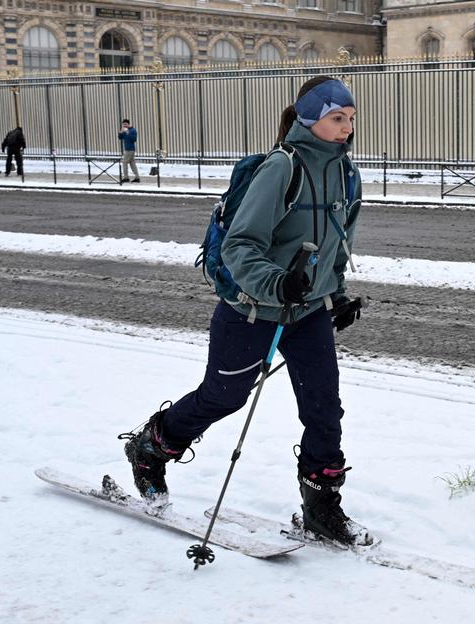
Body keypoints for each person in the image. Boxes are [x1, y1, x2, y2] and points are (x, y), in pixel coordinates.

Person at [121, 76, 371, 547]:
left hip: (307, 311)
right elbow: (241, 244)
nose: (346, 127)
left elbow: (338, 246)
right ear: (309, 119)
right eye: (337, 118)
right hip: (252, 308)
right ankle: (150, 448)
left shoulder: (347, 174)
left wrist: (335, 294)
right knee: (223, 396)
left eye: (351, 119)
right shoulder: (282, 168)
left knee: (324, 409)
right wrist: (277, 283)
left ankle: (322, 507)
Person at [119, 119, 140, 183]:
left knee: (124, 162)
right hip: (127, 149)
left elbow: (134, 139)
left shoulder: (133, 130)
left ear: (128, 124)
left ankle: (126, 178)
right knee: (132, 163)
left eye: (125, 124)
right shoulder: (124, 130)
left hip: (130, 149)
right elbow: (120, 138)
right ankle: (137, 178)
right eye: (123, 124)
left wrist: (128, 132)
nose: (124, 125)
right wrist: (120, 132)